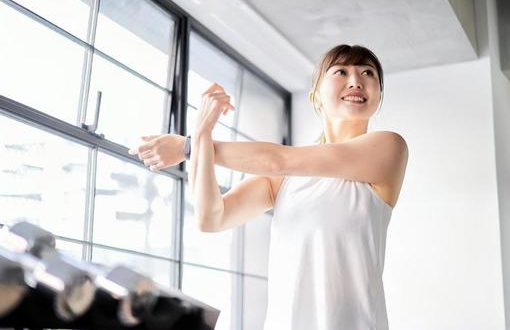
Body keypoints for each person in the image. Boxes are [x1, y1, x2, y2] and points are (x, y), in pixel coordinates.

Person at [129, 44, 408, 330]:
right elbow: (212, 217)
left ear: (378, 95)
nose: (356, 81)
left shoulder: (388, 147)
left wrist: (188, 146)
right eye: (341, 71)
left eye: (368, 73)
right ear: (316, 96)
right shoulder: (285, 179)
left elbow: (277, 160)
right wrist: (200, 134)